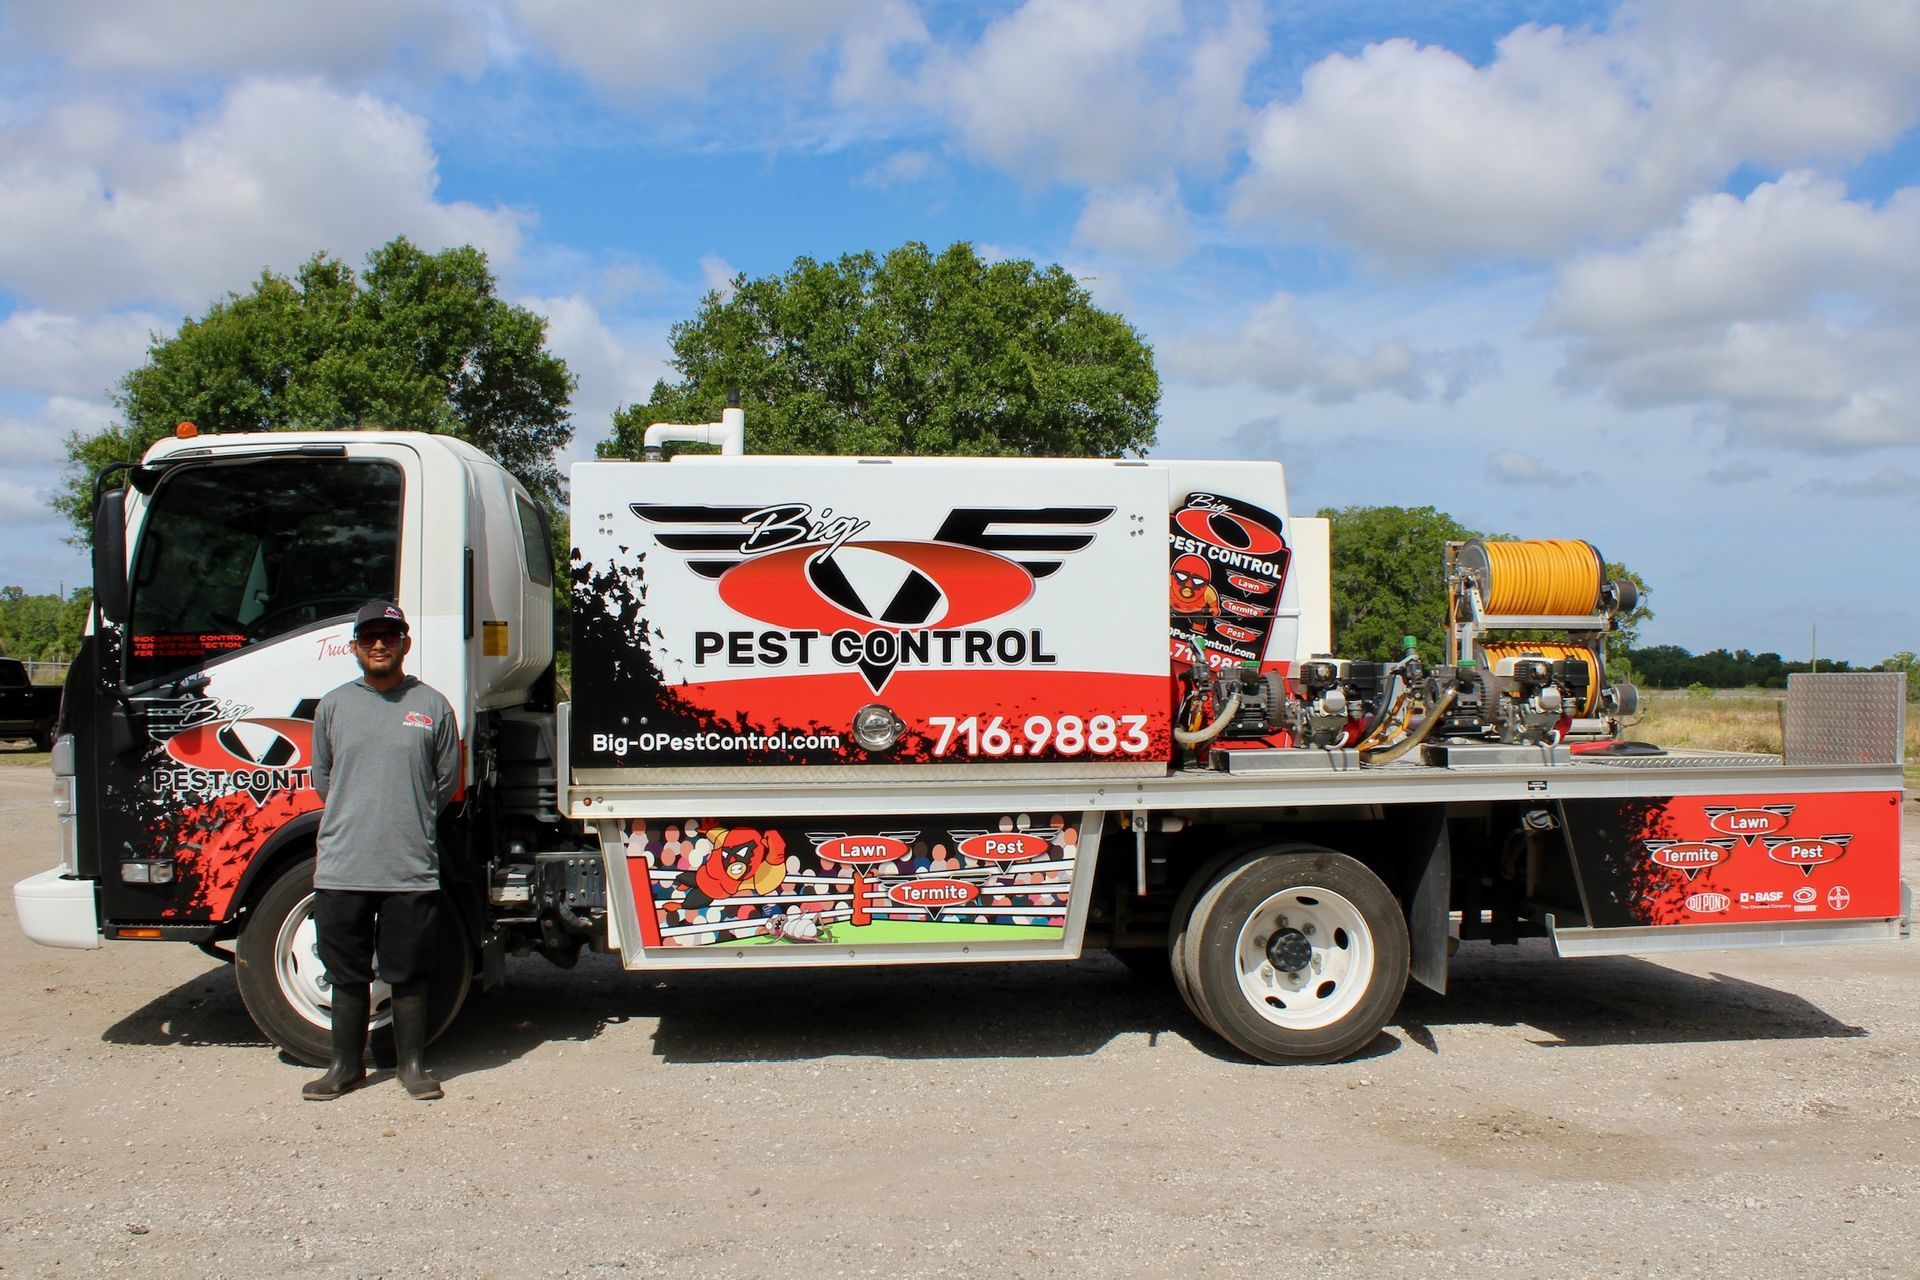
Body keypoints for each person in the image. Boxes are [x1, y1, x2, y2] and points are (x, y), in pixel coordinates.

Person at [302, 601, 461, 1102]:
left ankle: (411, 1066)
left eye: (389, 637)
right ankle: (345, 1066)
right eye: (369, 636)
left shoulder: (433, 705)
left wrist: (404, 818)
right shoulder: (332, 706)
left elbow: (446, 781)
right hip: (343, 866)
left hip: (409, 866)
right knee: (346, 972)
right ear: (354, 646)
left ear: (404, 645)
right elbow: (324, 778)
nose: (379, 645)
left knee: (409, 971)